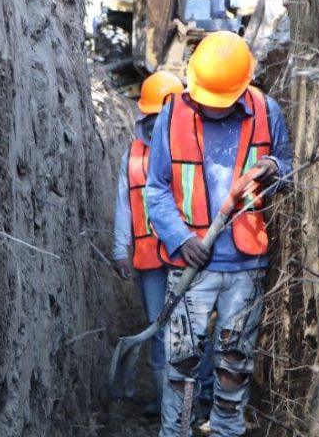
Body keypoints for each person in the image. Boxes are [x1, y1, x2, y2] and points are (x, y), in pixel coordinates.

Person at [145, 31, 293, 436]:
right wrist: (180, 238)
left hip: (246, 266)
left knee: (234, 365)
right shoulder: (172, 114)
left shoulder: (267, 111)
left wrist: (275, 171)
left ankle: (226, 431)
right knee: (182, 368)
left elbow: (288, 169)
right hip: (190, 266)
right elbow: (155, 188)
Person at [112, 71, 186, 416]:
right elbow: (124, 206)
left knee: (186, 331)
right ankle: (165, 403)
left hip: (186, 256)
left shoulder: (192, 151)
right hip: (148, 261)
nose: (159, 126)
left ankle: (191, 403)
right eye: (154, 119)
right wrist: (119, 251)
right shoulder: (132, 158)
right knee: (159, 330)